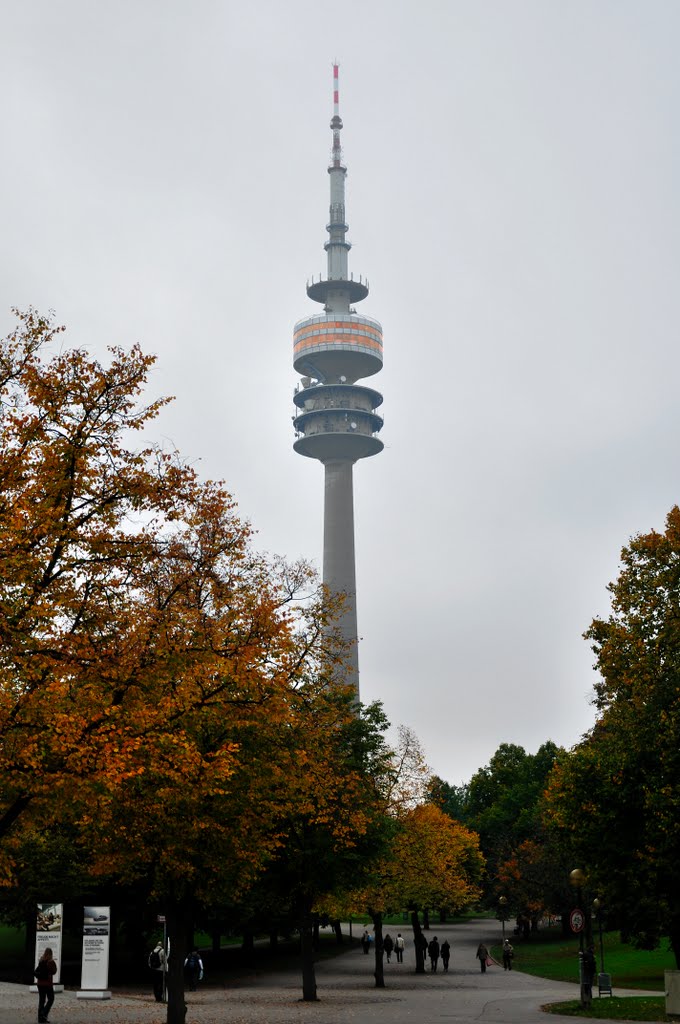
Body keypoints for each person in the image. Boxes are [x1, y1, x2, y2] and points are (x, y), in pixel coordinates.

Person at [35, 946, 57, 1023]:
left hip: (40, 984)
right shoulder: (50, 962)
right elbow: (54, 971)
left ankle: (41, 1019)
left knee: (41, 1001)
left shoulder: (41, 960)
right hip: (47, 984)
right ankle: (44, 1013)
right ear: (51, 954)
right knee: (51, 999)